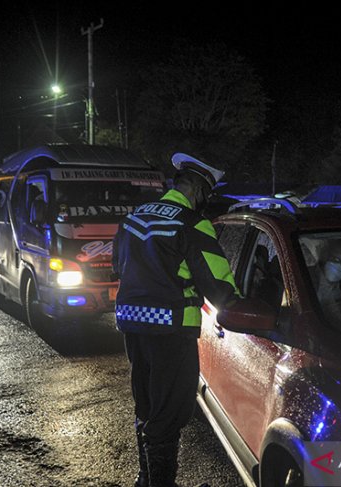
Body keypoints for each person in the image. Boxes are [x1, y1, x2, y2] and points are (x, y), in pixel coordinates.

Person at [112, 152, 240, 487]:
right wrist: (245, 299)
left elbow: (117, 268)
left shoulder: (133, 219)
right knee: (170, 410)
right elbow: (219, 285)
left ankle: (146, 480)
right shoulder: (192, 224)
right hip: (170, 331)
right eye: (206, 195)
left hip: (132, 325)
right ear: (198, 190)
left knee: (148, 402)